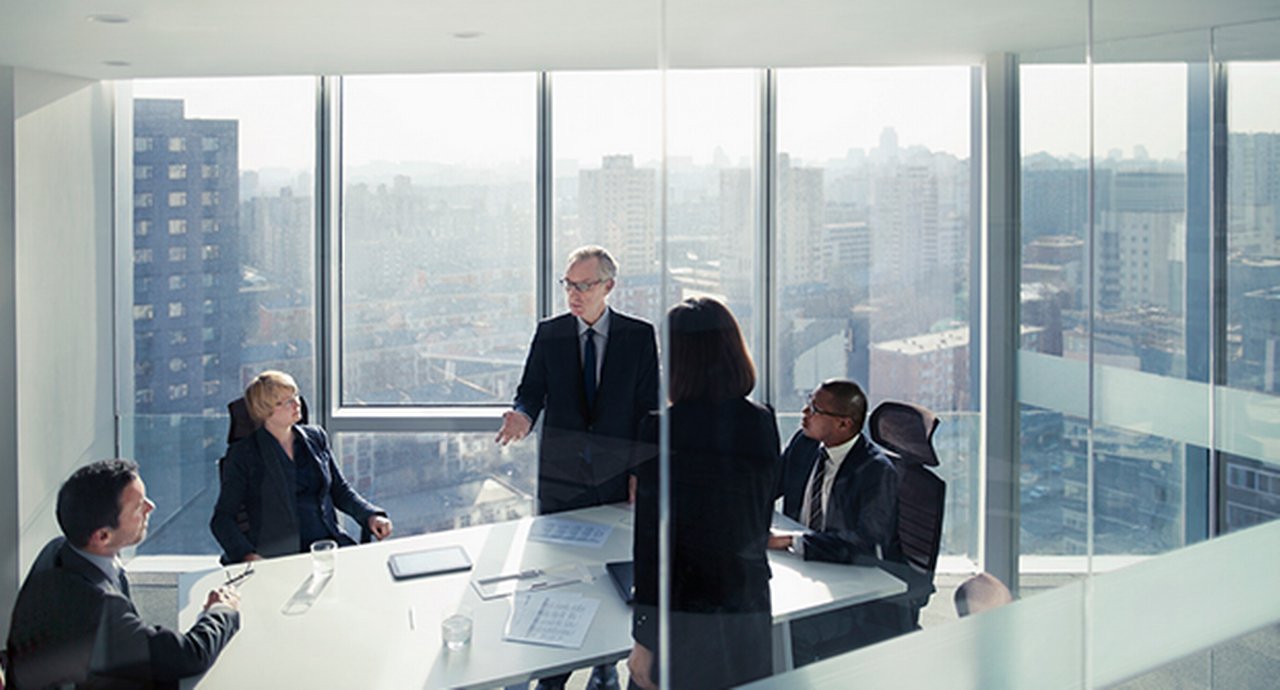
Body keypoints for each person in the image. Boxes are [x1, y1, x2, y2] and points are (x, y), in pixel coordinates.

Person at [496, 246, 658, 690]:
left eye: (583, 285)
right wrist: (523, 416)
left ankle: (605, 664)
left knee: (611, 575)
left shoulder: (638, 335)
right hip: (561, 478)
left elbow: (648, 411)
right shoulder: (550, 334)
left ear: (608, 286)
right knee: (557, 574)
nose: (573, 294)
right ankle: (552, 674)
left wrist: (640, 472)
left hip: (614, 478)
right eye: (568, 284)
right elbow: (531, 391)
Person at [628, 297, 780, 690]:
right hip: (746, 605)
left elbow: (651, 548)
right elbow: (758, 514)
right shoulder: (762, 420)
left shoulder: (660, 429)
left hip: (685, 617)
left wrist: (644, 639)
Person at [6, 459, 240, 688]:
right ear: (102, 536)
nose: (151, 506)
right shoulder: (98, 605)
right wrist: (221, 610)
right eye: (139, 507)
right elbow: (188, 657)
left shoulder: (58, 548)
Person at [768, 378, 903, 663]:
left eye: (815, 409)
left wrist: (792, 541)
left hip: (853, 592)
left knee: (788, 635)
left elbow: (864, 543)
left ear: (844, 424)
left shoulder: (875, 471)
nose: (804, 413)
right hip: (806, 572)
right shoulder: (805, 444)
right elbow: (767, 487)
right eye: (808, 403)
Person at [210, 370, 392, 563]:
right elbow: (222, 519)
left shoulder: (315, 437)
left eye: (295, 395)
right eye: (285, 401)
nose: (297, 403)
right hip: (280, 556)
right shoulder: (244, 454)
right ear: (265, 410)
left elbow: (340, 491)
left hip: (328, 545)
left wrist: (372, 515)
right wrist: (248, 556)